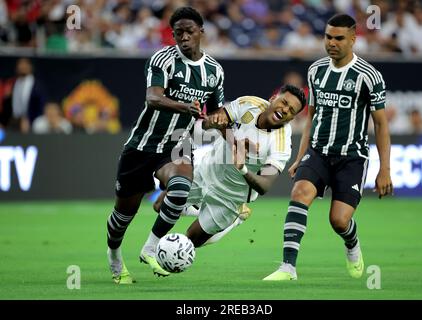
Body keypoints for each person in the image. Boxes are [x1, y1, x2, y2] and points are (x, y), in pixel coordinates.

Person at [263, 14, 393, 281]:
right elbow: (311, 118)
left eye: (339, 38)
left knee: (339, 221)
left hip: (352, 158)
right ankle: (288, 267)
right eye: (328, 37)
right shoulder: (316, 71)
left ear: (353, 40)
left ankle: (352, 243)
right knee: (299, 194)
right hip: (319, 152)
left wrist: (385, 170)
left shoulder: (369, 76)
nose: (331, 43)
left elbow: (380, 124)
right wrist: (300, 157)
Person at [106, 6, 225, 284]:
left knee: (181, 189)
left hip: (177, 144)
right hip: (142, 145)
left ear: (201, 32)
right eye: (178, 33)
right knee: (124, 214)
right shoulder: (163, 59)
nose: (183, 38)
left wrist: (225, 126)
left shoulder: (215, 71)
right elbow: (153, 98)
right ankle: (114, 256)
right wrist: (186, 107)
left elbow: (216, 113)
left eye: (189, 32)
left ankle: (150, 248)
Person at [149, 84, 306, 251]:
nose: (285, 109)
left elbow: (265, 185)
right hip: (205, 171)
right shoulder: (249, 104)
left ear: (291, 118)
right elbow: (213, 121)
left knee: (188, 243)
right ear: (273, 98)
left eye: (291, 110)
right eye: (284, 102)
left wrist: (242, 168)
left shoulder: (280, 145)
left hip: (230, 198)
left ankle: (234, 219)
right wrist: (214, 122)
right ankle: (201, 209)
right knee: (159, 205)